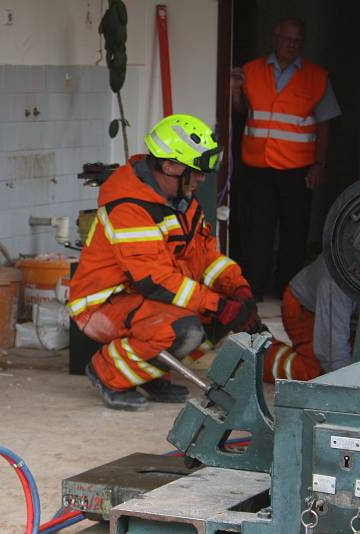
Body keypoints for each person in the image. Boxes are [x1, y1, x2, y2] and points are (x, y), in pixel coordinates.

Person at [68, 113, 261, 411]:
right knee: (186, 328)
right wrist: (218, 305)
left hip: (141, 296)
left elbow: (206, 256)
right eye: (196, 171)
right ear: (170, 166)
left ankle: (148, 371)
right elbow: (155, 279)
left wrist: (237, 290)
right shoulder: (129, 207)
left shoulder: (180, 199)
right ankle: (108, 372)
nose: (201, 179)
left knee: (217, 318)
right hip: (101, 304)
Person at [231, 17, 341, 299]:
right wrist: (233, 89)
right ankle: (254, 290)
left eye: (297, 41)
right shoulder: (251, 71)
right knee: (258, 231)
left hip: (298, 169)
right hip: (257, 165)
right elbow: (240, 109)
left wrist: (320, 164)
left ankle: (288, 294)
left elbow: (325, 124)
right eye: (287, 39)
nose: (291, 45)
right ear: (275, 38)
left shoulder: (317, 77)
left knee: (294, 233)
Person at [263, 253, 359, 381]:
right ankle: (258, 356)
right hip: (304, 310)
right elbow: (333, 355)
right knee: (321, 373)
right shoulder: (337, 276)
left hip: (347, 318)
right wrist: (348, 385)